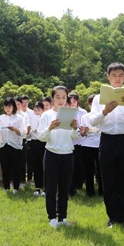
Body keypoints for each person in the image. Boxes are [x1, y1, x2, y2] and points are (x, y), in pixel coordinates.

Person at [89, 62, 124, 227]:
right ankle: (113, 218)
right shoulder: (99, 98)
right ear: (108, 77)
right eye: (114, 75)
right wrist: (104, 111)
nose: (117, 79)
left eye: (120, 75)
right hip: (107, 140)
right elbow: (92, 121)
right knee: (109, 180)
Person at [38, 86, 78, 228]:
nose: (61, 100)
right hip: (52, 154)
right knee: (51, 188)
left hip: (68, 154)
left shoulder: (70, 114)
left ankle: (62, 217)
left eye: (64, 97)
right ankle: (52, 218)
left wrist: (75, 128)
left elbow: (75, 137)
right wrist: (50, 128)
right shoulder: (46, 115)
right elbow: (41, 137)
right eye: (58, 97)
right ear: (52, 98)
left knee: (64, 188)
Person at [0, 97, 26, 194]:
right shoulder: (0, 118)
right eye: (5, 106)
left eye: (9, 106)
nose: (7, 108)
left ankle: (16, 188)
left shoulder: (19, 118)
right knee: (5, 167)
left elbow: (23, 132)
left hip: (15, 145)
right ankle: (6, 187)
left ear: (13, 107)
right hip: (3, 145)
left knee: (15, 167)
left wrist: (14, 129)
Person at [80, 94, 102, 197]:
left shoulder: (102, 116)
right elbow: (82, 134)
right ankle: (90, 192)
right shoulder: (85, 117)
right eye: (91, 104)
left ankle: (102, 191)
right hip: (87, 145)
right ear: (88, 105)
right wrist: (85, 131)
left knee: (102, 169)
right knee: (89, 169)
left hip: (100, 144)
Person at [68, 92, 87, 196]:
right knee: (73, 165)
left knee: (80, 164)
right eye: (70, 102)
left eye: (74, 102)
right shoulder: (67, 111)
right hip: (71, 141)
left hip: (81, 141)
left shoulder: (83, 112)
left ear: (78, 101)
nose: (72, 104)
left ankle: (79, 183)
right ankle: (72, 185)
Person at [27, 101, 46, 196]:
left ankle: (45, 188)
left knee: (44, 166)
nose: (37, 112)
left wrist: (38, 130)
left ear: (43, 110)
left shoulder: (45, 119)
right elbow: (27, 136)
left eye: (39, 110)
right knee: (36, 166)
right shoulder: (30, 119)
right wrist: (29, 130)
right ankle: (37, 187)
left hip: (43, 143)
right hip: (33, 143)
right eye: (35, 110)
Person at [15, 96, 30, 187]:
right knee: (13, 161)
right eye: (15, 104)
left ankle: (22, 181)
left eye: (18, 104)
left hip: (23, 139)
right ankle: (12, 181)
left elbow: (27, 128)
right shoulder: (10, 115)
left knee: (22, 160)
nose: (17, 106)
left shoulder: (24, 115)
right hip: (12, 140)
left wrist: (28, 130)